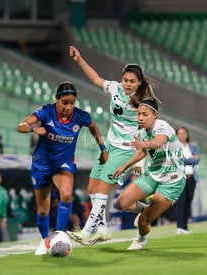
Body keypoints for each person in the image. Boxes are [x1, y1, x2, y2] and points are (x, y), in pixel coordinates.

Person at [67, 46, 157, 245]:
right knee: (92, 187)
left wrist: (142, 154)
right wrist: (79, 59)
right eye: (125, 80)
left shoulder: (143, 102)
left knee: (101, 190)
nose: (127, 84)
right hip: (108, 146)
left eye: (132, 81)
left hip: (125, 150)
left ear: (139, 83)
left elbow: (151, 127)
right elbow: (96, 78)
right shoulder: (115, 88)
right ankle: (103, 229)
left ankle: (86, 231)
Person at [16, 81, 107, 255]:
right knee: (43, 208)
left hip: (63, 163)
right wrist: (34, 128)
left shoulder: (80, 116)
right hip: (42, 164)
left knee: (66, 194)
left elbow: (93, 127)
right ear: (57, 99)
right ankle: (44, 240)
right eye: (64, 102)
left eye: (72, 103)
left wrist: (102, 149)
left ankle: (59, 234)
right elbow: (21, 126)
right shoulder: (46, 111)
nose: (68, 106)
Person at [113, 98, 186, 250]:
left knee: (143, 221)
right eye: (139, 114)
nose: (140, 117)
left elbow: (158, 142)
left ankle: (140, 239)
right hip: (152, 175)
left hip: (172, 180)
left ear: (155, 115)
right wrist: (125, 166)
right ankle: (144, 208)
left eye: (144, 114)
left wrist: (144, 144)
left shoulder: (162, 126)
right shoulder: (140, 132)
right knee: (121, 203)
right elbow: (142, 153)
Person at [174, 127, 200, 234]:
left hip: (191, 177)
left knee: (188, 201)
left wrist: (185, 160)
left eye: (184, 133)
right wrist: (190, 160)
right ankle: (179, 227)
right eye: (180, 133)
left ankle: (185, 226)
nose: (182, 135)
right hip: (180, 177)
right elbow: (177, 160)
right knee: (181, 202)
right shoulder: (175, 146)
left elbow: (197, 160)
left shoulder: (193, 146)